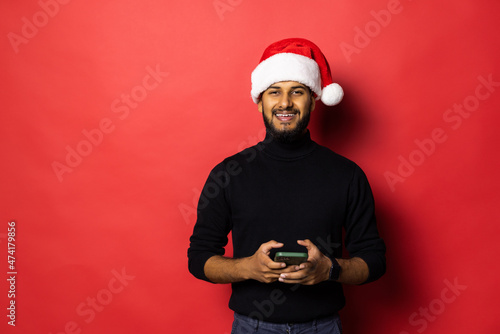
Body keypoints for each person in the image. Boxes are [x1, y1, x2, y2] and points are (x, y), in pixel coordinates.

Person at [188, 38, 386, 334]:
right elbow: (199, 258)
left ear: (314, 99)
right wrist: (248, 268)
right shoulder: (228, 174)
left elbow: (374, 260)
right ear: (259, 102)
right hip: (251, 327)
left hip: (323, 327)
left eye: (297, 91)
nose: (285, 103)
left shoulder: (347, 174)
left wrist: (328, 270)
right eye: (274, 92)